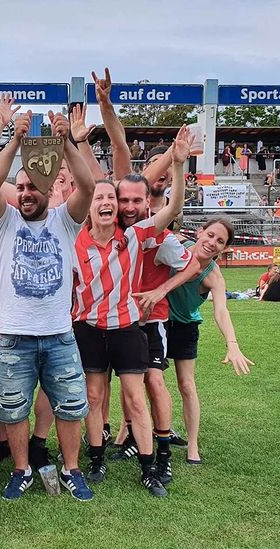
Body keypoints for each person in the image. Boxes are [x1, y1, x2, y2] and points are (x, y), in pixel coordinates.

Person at [72, 126, 192, 497]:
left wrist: (178, 165)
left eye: (112, 197)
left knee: (136, 397)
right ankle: (95, 459)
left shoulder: (136, 234)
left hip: (126, 328)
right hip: (89, 328)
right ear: (89, 204)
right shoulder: (74, 237)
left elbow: (171, 208)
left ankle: (148, 467)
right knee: (93, 397)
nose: (106, 202)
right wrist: (75, 143)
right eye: (100, 197)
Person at [0, 108, 95, 501]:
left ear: (48, 189)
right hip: (14, 336)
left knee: (69, 406)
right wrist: (14, 139)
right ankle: (21, 469)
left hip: (59, 335)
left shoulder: (66, 220)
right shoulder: (4, 222)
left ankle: (72, 468)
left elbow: (88, 184)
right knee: (13, 411)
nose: (27, 192)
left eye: (34, 186)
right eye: (22, 186)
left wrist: (65, 141)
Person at [114, 171, 201, 483]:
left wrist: (161, 291)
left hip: (150, 321)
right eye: (124, 199)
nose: (129, 205)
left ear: (147, 204)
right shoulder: (112, 232)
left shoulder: (159, 238)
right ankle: (132, 440)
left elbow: (193, 266)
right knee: (126, 386)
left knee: (154, 381)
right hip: (116, 321)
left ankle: (163, 453)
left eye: (137, 200)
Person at [167, 218, 254, 463]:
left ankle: (192, 445)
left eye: (220, 241)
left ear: (225, 249)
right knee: (149, 380)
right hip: (159, 322)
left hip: (185, 326)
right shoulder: (177, 247)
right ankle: (130, 432)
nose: (212, 243)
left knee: (186, 385)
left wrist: (232, 344)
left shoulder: (212, 275)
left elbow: (221, 310)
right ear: (200, 232)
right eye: (210, 235)